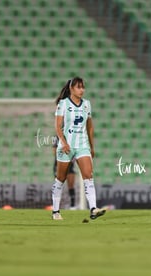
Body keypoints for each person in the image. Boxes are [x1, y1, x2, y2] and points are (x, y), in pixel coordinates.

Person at [52, 77, 106, 220]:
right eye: (78, 87)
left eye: (83, 87)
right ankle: (55, 211)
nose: (82, 90)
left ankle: (93, 208)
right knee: (60, 179)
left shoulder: (87, 104)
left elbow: (89, 126)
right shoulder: (63, 104)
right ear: (71, 88)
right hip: (67, 147)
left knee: (88, 176)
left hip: (82, 145)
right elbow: (57, 126)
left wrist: (91, 146)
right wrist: (63, 142)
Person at [52, 135, 76, 209]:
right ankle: (56, 206)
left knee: (71, 185)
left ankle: (72, 206)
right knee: (58, 185)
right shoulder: (56, 137)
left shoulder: (73, 136)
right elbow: (54, 152)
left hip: (70, 164)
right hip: (59, 164)